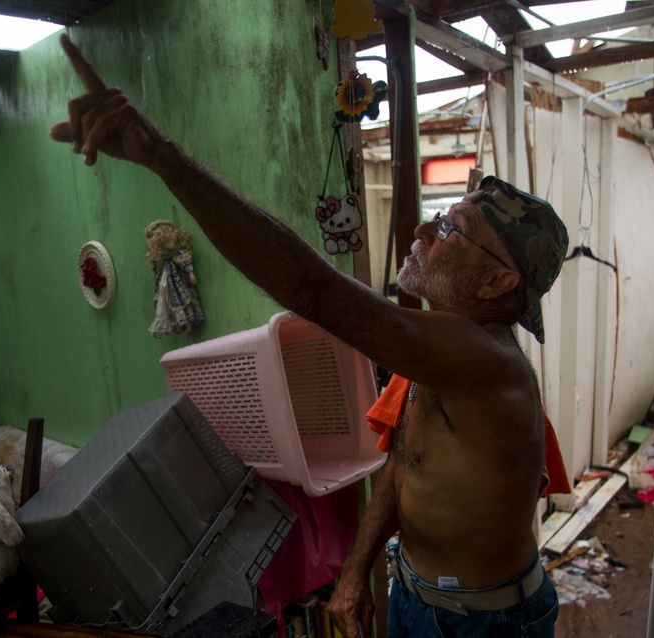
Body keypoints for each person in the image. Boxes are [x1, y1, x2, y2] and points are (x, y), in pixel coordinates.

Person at [49, 34, 568, 637]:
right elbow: (404, 468)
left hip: (483, 626)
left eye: (454, 226)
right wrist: (355, 574)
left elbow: (312, 290)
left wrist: (159, 153)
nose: (427, 226)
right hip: (419, 600)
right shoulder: (432, 356)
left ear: (498, 282)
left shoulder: (484, 361)